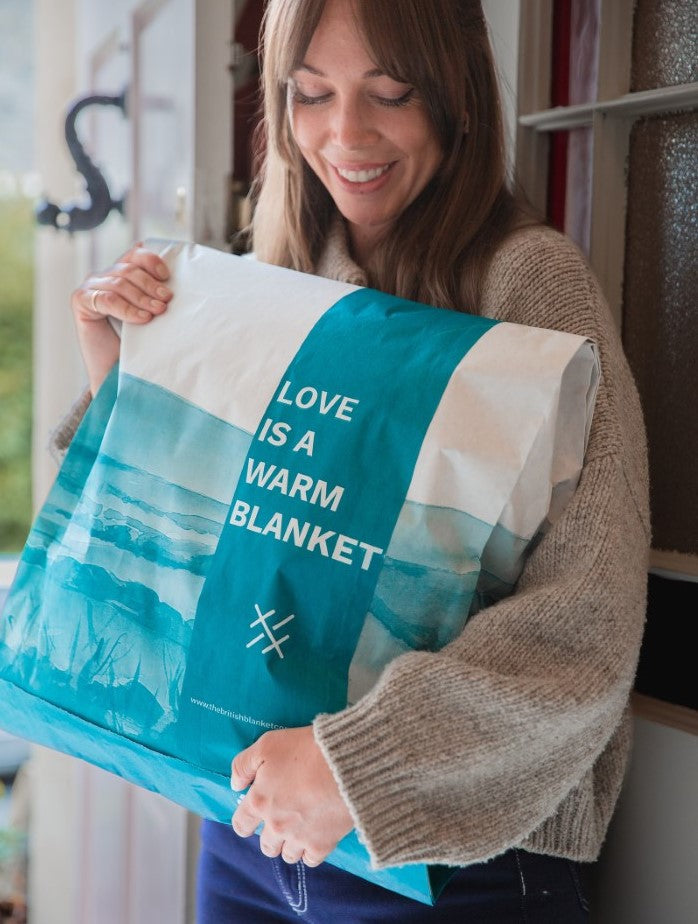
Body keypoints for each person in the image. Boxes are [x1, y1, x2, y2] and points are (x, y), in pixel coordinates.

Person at [62, 1, 650, 920]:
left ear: (455, 100)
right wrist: (120, 376)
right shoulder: (272, 272)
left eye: (391, 93)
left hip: (458, 855)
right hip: (246, 827)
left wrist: (359, 762)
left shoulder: (524, 282)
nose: (346, 134)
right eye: (311, 94)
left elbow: (589, 615)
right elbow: (213, 533)